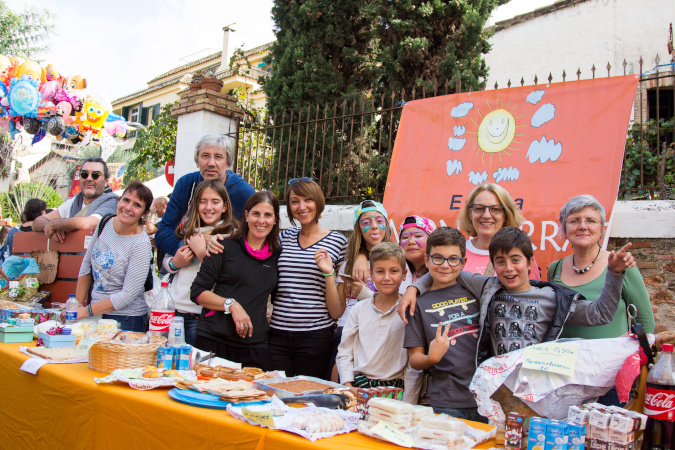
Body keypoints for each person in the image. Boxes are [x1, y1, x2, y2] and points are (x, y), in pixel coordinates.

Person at [401, 227, 635, 362]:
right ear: (493, 265)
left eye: (516, 260)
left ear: (530, 262)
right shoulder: (487, 286)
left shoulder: (552, 298)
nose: (509, 268)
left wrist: (614, 273)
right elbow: (445, 268)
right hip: (494, 389)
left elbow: (600, 315)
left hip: (536, 390)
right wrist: (414, 288)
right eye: (501, 262)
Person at [548, 195, 655, 406]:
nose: (582, 226)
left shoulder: (621, 266)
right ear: (563, 228)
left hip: (612, 379)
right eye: (574, 220)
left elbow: (646, 323)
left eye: (591, 220)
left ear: (602, 229)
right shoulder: (555, 268)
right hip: (568, 376)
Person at [190, 191, 282, 369]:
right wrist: (231, 305)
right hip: (213, 339)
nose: (261, 221)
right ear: (246, 216)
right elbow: (197, 292)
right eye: (255, 214)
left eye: (267, 215)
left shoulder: (278, 255)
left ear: (275, 219)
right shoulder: (223, 247)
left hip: (255, 344)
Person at [269, 177, 348, 378]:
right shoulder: (282, 237)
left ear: (318, 202)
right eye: (295, 201)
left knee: (308, 399)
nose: (301, 206)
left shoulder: (338, 241)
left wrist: (329, 272)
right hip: (277, 334)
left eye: (307, 200)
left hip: (316, 336)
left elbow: (338, 309)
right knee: (276, 394)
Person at [404, 227, 485, 421]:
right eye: (438, 258)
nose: (445, 265)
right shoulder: (417, 303)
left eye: (453, 259)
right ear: (427, 259)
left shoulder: (476, 292)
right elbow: (415, 359)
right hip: (446, 398)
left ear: (463, 262)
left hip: (485, 396)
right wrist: (431, 358)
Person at [63, 181, 154, 332]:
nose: (128, 208)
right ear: (119, 201)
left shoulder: (141, 244)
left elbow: (127, 295)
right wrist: (77, 304)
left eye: (137, 205)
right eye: (126, 200)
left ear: (144, 213)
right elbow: (86, 266)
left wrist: (85, 311)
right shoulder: (105, 223)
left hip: (126, 321)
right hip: (96, 315)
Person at [337, 242, 419, 403]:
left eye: (394, 271)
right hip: (359, 385)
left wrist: (409, 403)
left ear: (404, 274)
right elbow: (345, 352)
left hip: (395, 388)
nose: (387, 277)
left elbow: (412, 365)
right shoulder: (358, 310)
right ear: (371, 275)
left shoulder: (410, 312)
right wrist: (348, 385)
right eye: (380, 271)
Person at [162, 181, 237, 346]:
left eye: (215, 202)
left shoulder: (230, 236)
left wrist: (202, 254)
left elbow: (228, 279)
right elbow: (166, 264)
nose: (208, 207)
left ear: (224, 207)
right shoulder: (188, 230)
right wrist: (176, 262)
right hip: (174, 314)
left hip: (201, 315)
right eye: (203, 201)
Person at [155, 135, 255, 258]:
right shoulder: (185, 184)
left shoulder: (244, 193)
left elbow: (254, 239)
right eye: (205, 156)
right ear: (197, 161)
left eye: (218, 157)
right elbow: (163, 234)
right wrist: (192, 243)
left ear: (228, 164)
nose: (211, 163)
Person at [329, 200, 391, 381]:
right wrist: (329, 275)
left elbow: (396, 304)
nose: (373, 227)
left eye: (379, 221)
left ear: (386, 225)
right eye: (366, 222)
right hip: (347, 330)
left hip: (379, 333)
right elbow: (336, 312)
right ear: (358, 229)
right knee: (338, 379)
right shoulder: (348, 265)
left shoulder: (396, 264)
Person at [459, 183, 541, 280]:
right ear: (470, 213)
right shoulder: (458, 252)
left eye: (495, 209)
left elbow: (530, 293)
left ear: (506, 215)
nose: (486, 215)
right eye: (479, 208)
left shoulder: (521, 254)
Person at [32, 157, 118, 243]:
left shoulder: (112, 202)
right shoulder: (73, 202)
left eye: (95, 175)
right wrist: (49, 226)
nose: (89, 178)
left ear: (106, 181)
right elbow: (37, 222)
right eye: (84, 174)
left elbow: (88, 223)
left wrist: (55, 224)